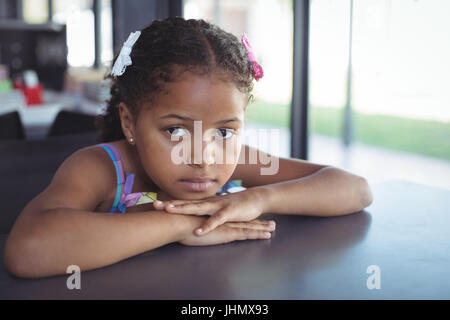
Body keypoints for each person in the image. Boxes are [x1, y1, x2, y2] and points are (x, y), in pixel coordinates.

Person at [3, 17, 373, 278]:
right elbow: (28, 250)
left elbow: (355, 189)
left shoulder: (240, 162)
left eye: (225, 132)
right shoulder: (102, 170)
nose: (204, 155)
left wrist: (257, 200)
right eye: (177, 131)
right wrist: (180, 224)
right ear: (130, 122)